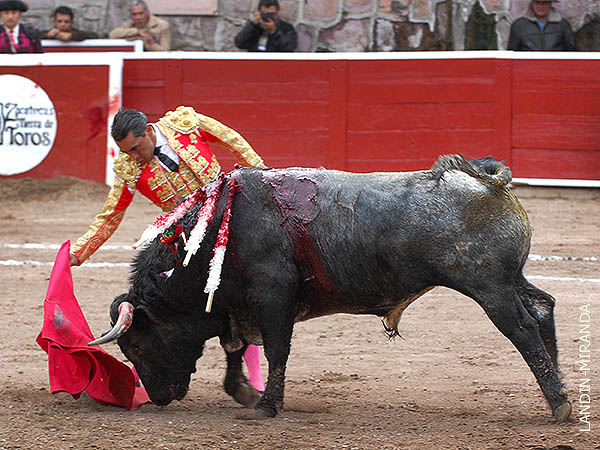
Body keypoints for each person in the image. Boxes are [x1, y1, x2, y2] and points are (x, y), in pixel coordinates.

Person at [69, 105, 266, 391]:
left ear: (149, 131)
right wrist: (79, 252)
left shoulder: (185, 123)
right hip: (186, 238)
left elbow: (231, 139)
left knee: (243, 299)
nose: (134, 157)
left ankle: (256, 379)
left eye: (136, 148)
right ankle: (148, 366)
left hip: (229, 219)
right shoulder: (129, 169)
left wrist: (259, 172)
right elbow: (111, 215)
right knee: (161, 305)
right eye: (128, 153)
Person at [507, 0, 577, 51]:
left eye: (545, 3)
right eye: (537, 2)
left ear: (550, 3)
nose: (541, 6)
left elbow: (572, 52)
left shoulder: (562, 24)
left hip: (556, 68)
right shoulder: (518, 26)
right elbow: (512, 53)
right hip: (528, 69)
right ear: (532, 3)